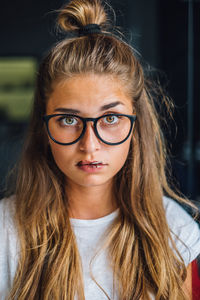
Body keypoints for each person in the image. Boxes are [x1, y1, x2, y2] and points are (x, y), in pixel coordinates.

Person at [0, 0, 200, 299]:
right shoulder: (6, 233)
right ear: (45, 128)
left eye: (110, 118)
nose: (89, 144)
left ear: (135, 125)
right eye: (68, 119)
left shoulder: (175, 232)